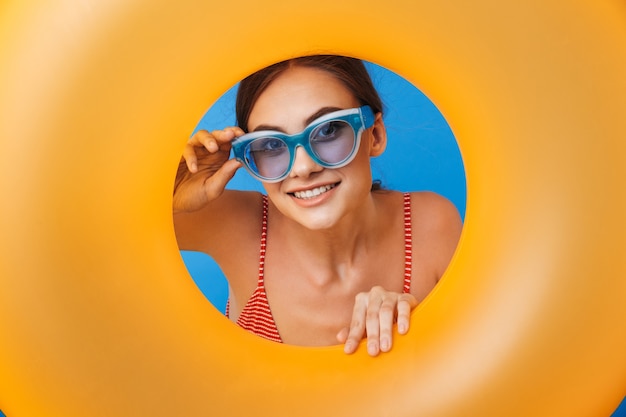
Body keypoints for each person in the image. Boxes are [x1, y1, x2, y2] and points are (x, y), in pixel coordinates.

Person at [173, 55, 462, 356]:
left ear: (374, 135)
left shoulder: (432, 225)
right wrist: (168, 188)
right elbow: (121, 247)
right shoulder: (235, 227)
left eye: (327, 130)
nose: (302, 167)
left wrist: (420, 328)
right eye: (271, 144)